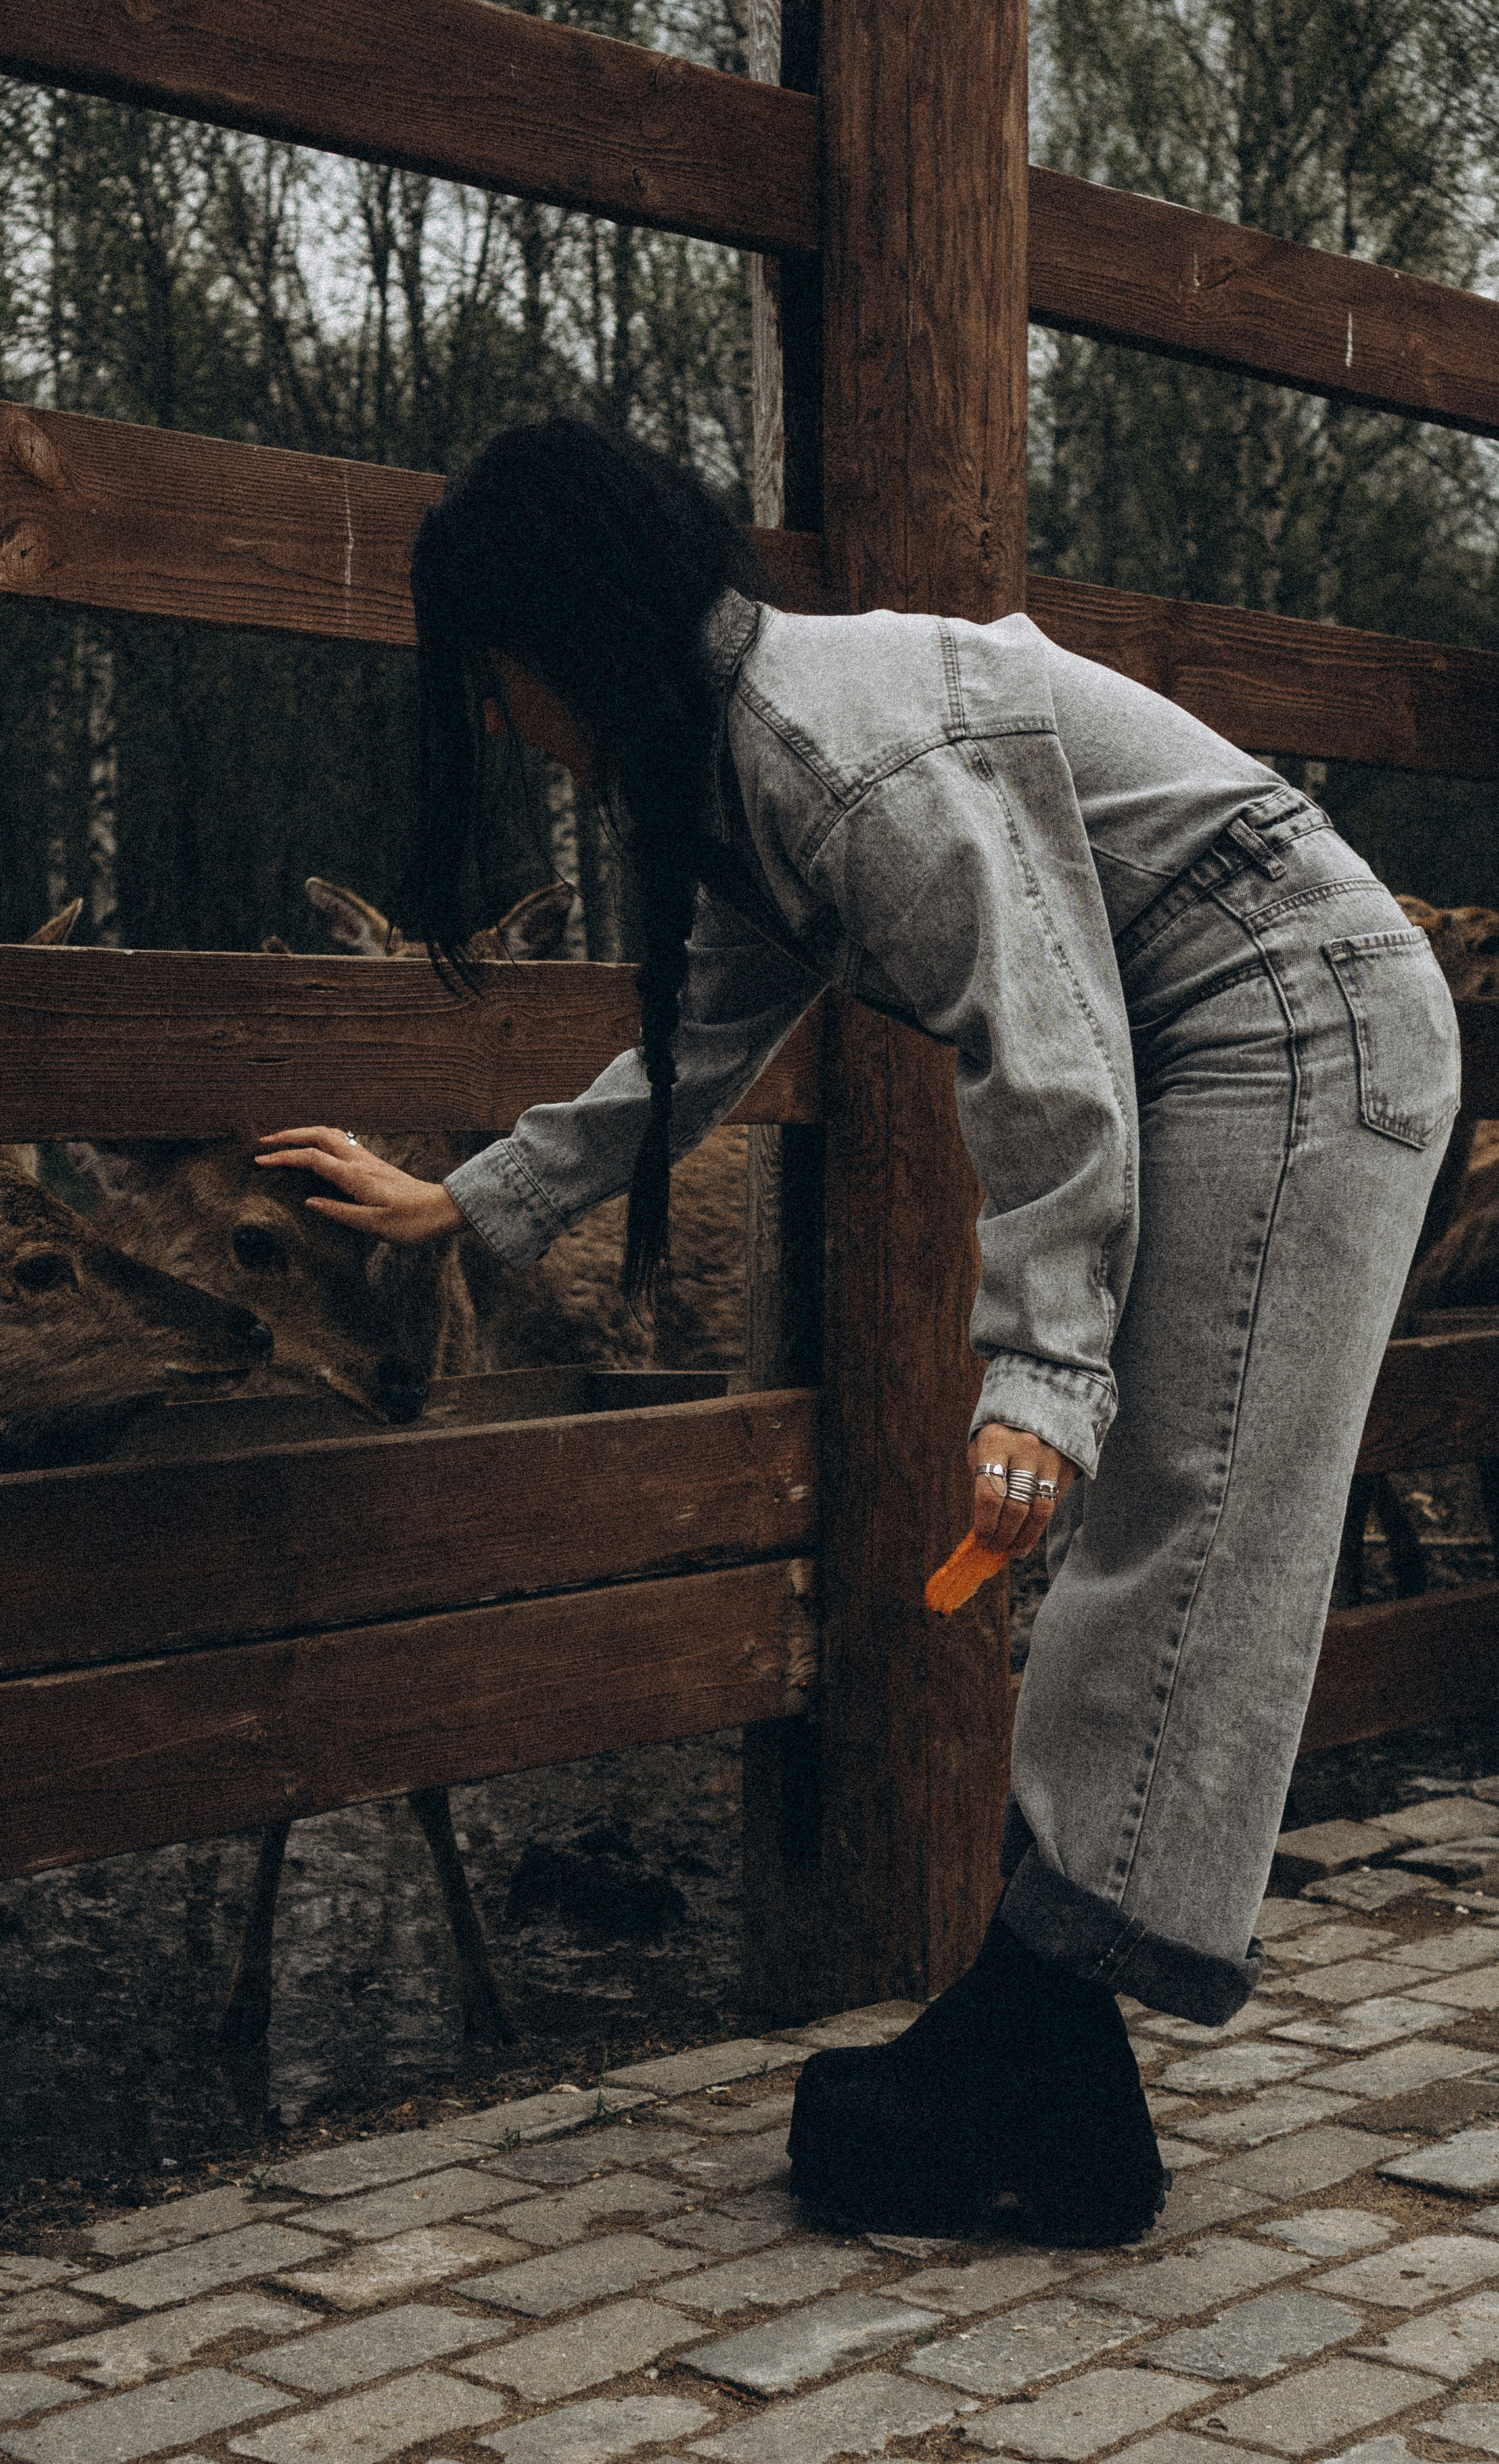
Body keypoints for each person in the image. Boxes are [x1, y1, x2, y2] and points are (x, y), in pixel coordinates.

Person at [256, 417, 1460, 2246]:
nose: (499, 722)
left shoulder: (833, 752)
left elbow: (1045, 1048)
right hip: (1221, 1032)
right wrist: (471, 1202)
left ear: (571, 637)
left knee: (1186, 1516)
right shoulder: (747, 769)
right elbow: (699, 1049)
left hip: (1294, 1022)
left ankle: (1036, 2046)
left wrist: (1044, 1382)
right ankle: (1049, 2066)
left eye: (496, 679)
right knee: (1170, 1528)